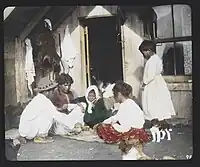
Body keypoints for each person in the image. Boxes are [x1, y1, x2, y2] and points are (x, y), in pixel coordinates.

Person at [95, 81, 150, 159]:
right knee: (105, 124)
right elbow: (117, 117)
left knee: (102, 127)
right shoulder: (128, 103)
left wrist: (113, 126)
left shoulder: (126, 105)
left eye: (114, 95)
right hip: (138, 130)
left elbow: (125, 126)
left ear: (119, 94)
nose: (114, 97)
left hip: (131, 131)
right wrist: (106, 121)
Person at [18, 77, 77, 143]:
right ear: (46, 92)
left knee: (49, 114)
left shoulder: (39, 98)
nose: (53, 93)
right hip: (29, 131)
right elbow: (57, 115)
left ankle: (38, 135)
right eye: (52, 91)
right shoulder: (44, 101)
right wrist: (73, 125)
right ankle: (41, 136)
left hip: (26, 130)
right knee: (49, 116)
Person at [138, 40, 176, 121]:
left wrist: (144, 84)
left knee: (153, 102)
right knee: (158, 101)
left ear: (149, 50)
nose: (143, 54)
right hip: (157, 82)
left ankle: (156, 120)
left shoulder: (152, 60)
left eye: (144, 51)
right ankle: (159, 120)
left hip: (153, 84)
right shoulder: (156, 58)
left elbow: (150, 75)